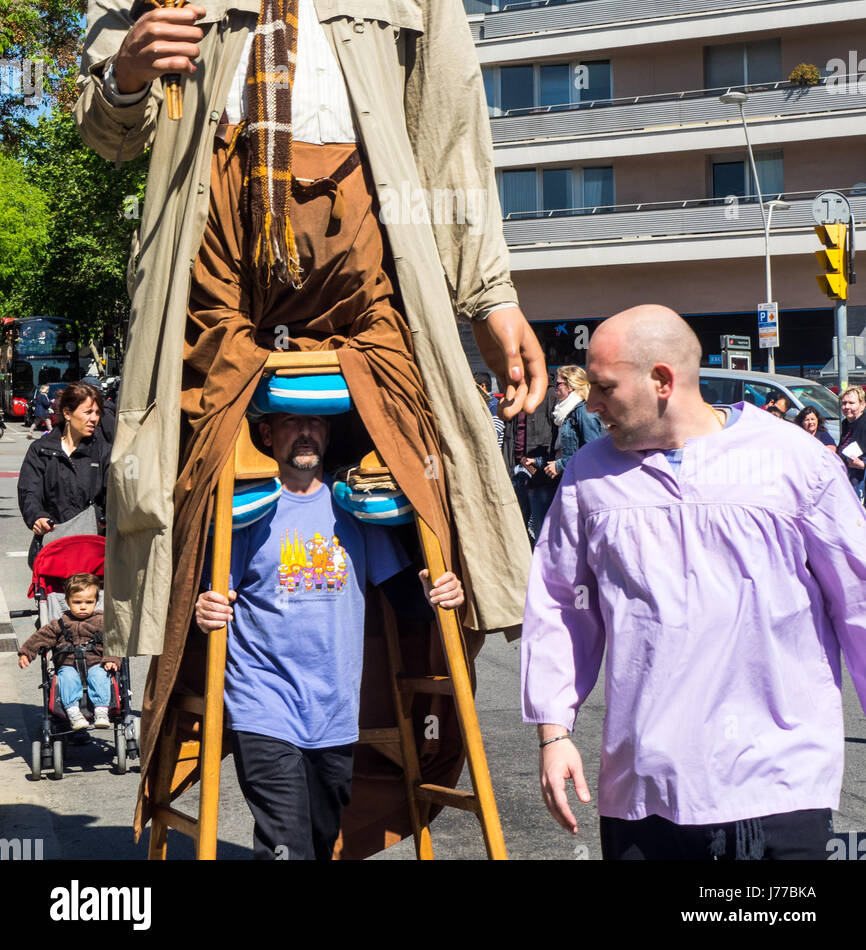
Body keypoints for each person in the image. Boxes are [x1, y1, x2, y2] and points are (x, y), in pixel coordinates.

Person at [74, 0, 544, 845]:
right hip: (210, 307)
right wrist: (128, 70)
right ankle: (193, 821)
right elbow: (104, 131)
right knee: (200, 580)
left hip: (380, 307)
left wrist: (488, 295)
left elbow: (450, 147)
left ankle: (370, 814)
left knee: (417, 550)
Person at [522, 304, 866, 861]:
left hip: (777, 784)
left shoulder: (793, 462)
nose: (591, 403)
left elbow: (859, 598)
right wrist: (553, 729)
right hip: (644, 785)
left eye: (605, 386)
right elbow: (561, 606)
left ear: (662, 379)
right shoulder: (590, 477)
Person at [195, 409, 463, 860]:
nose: (305, 432)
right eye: (292, 422)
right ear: (266, 432)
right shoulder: (245, 508)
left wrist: (439, 590)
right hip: (262, 703)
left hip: (335, 711)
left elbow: (410, 604)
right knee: (285, 844)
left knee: (321, 842)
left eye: (315, 423)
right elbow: (212, 595)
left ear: (328, 432)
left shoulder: (353, 508)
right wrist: (207, 606)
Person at [17, 382, 110, 567]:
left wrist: (105, 517)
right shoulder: (41, 450)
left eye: (97, 413)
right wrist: (36, 516)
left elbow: (113, 497)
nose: (94, 419)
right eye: (88, 412)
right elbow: (29, 491)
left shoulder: (103, 451)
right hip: (54, 548)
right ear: (67, 413)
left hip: (94, 552)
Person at [17, 573, 119, 730]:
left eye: (89, 602)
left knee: (100, 675)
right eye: (77, 602)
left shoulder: (101, 621)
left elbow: (114, 641)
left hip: (96, 662)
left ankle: (101, 710)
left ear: (96, 602)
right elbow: (41, 637)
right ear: (67, 602)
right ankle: (73, 712)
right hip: (68, 664)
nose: (83, 606)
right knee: (67, 678)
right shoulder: (60, 623)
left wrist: (111, 658)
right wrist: (26, 652)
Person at [536, 366, 604, 539]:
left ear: (571, 386)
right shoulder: (564, 413)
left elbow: (592, 451)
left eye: (558, 384)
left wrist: (560, 465)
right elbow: (562, 450)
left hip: (580, 483)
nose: (555, 388)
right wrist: (538, 461)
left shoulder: (584, 413)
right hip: (566, 479)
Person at [502, 387, 555, 539]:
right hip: (515, 467)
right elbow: (508, 435)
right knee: (515, 528)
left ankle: (539, 561)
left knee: (541, 528)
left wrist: (545, 463)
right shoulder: (514, 394)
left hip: (539, 471)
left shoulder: (548, 393)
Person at [838, 386, 866, 500]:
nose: (847, 407)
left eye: (851, 403)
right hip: (849, 480)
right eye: (844, 403)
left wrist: (863, 465)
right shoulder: (846, 423)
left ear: (862, 405)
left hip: (861, 484)